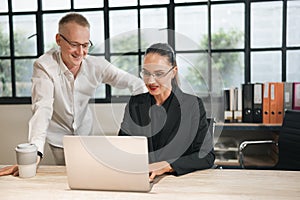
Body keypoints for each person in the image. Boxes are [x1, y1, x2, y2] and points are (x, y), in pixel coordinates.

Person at [0, 12, 146, 176]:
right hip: (58, 137)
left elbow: (135, 83)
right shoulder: (44, 66)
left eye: (85, 45)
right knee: (66, 177)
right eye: (74, 44)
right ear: (58, 40)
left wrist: (141, 115)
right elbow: (43, 108)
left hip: (85, 132)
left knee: (89, 176)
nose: (80, 52)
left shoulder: (96, 65)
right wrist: (35, 153)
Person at [118, 43, 215, 182]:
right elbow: (123, 146)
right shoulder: (135, 104)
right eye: (146, 73)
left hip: (179, 183)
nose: (151, 80)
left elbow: (207, 156)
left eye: (159, 74)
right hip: (141, 181)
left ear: (173, 71)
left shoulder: (192, 105)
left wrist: (167, 166)